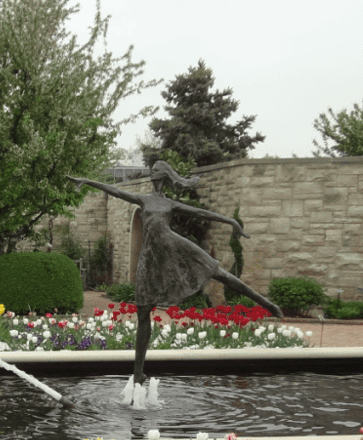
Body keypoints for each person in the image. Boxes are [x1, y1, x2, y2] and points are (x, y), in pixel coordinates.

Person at [68, 162, 283, 384]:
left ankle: (266, 304)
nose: (151, 172)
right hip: (151, 257)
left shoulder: (169, 204)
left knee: (218, 273)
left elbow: (201, 212)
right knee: (143, 311)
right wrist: (88, 181)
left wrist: (230, 221)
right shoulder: (144, 199)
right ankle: (138, 372)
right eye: (151, 169)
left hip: (175, 247)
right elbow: (116, 191)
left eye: (156, 169)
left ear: (163, 175)